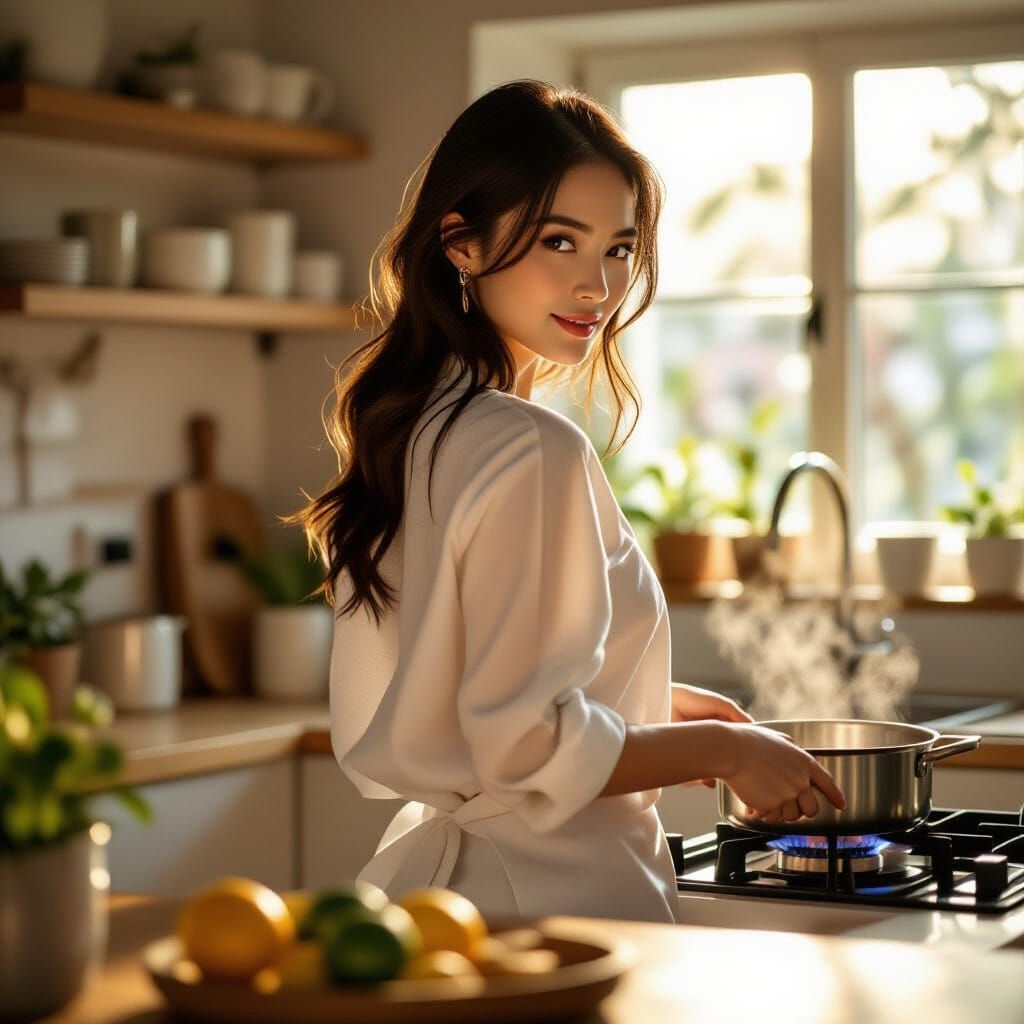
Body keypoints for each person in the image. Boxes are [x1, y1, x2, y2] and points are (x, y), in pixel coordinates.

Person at [288, 80, 845, 925]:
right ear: (462, 243)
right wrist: (724, 748)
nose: (598, 286)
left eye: (619, 249)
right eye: (560, 241)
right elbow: (522, 747)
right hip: (549, 899)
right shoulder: (529, 446)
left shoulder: (421, 428)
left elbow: (471, 694)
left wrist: (648, 703)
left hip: (453, 897)